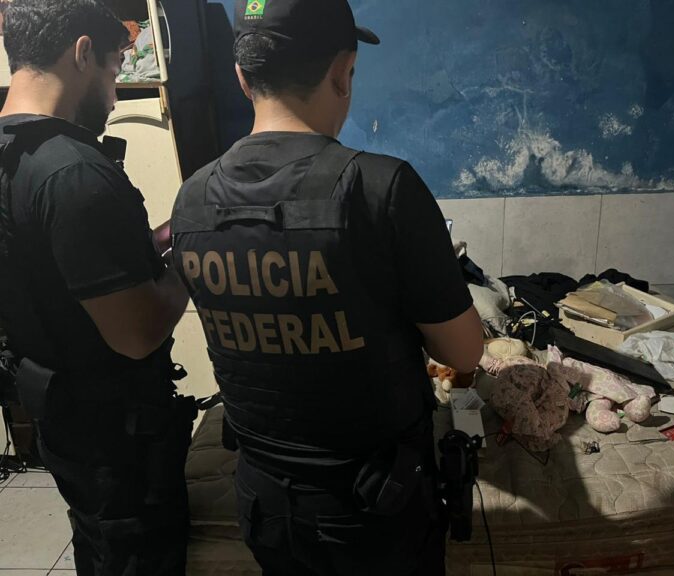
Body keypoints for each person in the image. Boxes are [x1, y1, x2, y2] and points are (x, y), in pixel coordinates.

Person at [170, 0, 484, 574]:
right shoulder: (381, 188)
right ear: (342, 72)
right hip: (373, 514)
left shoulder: (191, 198)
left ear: (242, 78)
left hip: (263, 505)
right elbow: (463, 354)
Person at [0, 1, 194, 574]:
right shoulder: (73, 171)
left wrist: (145, 247)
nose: (114, 96)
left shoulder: (13, 154)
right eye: (114, 71)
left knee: (99, 546)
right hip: (116, 441)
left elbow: (50, 266)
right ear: (82, 53)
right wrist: (188, 264)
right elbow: (138, 334)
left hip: (59, 413)